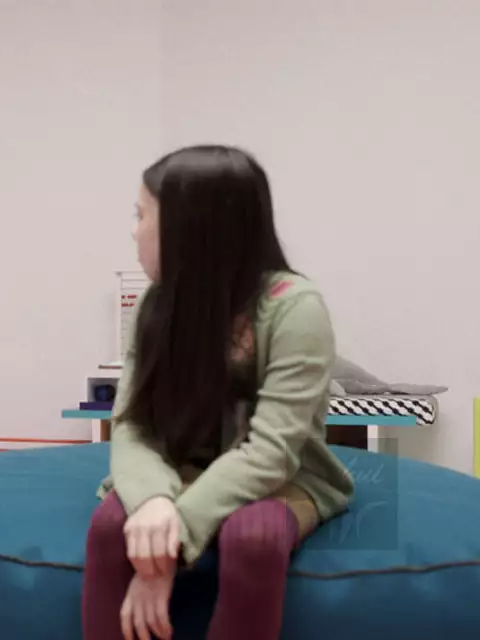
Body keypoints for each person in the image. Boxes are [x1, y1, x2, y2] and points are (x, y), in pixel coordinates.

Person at [82, 145, 355, 640]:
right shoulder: (154, 305)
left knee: (253, 538)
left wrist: (172, 540)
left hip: (284, 478)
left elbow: (272, 452)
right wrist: (153, 501)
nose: (133, 230)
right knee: (109, 528)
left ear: (190, 230)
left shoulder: (294, 308)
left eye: (142, 215)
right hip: (181, 467)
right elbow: (131, 424)